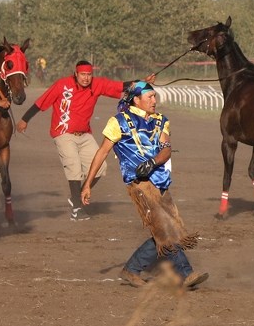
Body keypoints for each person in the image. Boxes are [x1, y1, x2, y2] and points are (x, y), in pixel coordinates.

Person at [80, 81, 208, 289]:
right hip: (139, 185)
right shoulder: (118, 122)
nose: (154, 101)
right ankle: (187, 273)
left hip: (160, 182)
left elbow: (166, 149)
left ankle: (131, 269)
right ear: (136, 100)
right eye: (150, 97)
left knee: (165, 229)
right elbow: (102, 153)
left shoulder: (160, 121)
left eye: (155, 97)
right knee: (165, 229)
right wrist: (88, 185)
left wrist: (152, 162)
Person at [16, 60, 155, 221]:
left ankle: (78, 195)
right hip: (63, 133)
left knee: (101, 166)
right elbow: (41, 102)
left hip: (84, 134)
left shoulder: (97, 85)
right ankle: (76, 208)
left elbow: (119, 86)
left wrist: (142, 82)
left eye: (89, 74)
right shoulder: (62, 85)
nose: (86, 78)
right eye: (83, 74)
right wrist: (25, 119)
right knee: (74, 167)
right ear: (76, 74)